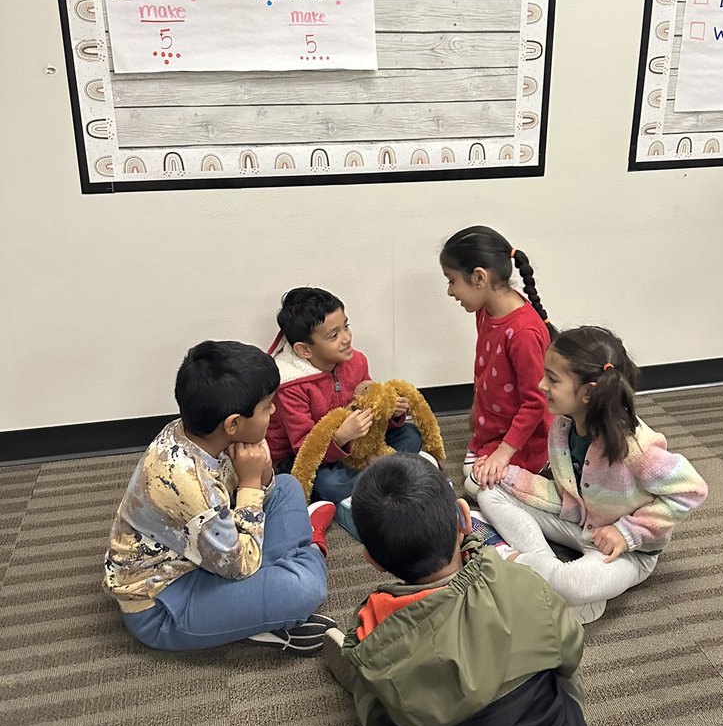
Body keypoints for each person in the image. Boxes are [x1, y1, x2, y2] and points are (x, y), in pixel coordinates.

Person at [322, 453, 595, 726]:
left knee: (372, 686)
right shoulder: (523, 582)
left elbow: (401, 714)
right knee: (555, 665)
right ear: (466, 518)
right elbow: (571, 654)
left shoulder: (375, 630)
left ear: (373, 561)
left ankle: (353, 669)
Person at [103, 340, 335, 654]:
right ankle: (309, 551)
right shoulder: (189, 486)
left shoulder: (197, 432)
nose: (274, 410)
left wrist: (262, 474)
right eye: (267, 406)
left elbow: (255, 496)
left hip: (206, 552)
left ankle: (284, 571)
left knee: (287, 487)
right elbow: (240, 565)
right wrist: (251, 482)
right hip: (163, 605)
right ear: (234, 424)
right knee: (306, 589)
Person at [476, 326, 708, 625]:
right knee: (487, 488)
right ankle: (545, 570)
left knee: (575, 584)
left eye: (552, 379)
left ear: (588, 392)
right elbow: (567, 491)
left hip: (626, 552)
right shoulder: (563, 427)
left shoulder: (636, 446)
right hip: (577, 519)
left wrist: (627, 533)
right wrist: (504, 474)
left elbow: (691, 490)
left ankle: (513, 562)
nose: (542, 385)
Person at [265, 286, 424, 536]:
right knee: (328, 484)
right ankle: (381, 478)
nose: (347, 337)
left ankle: (371, 477)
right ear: (304, 350)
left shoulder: (356, 360)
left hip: (356, 446)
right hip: (305, 457)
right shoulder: (290, 386)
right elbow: (304, 447)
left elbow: (370, 403)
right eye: (334, 335)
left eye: (346, 326)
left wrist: (391, 413)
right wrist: (340, 437)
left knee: (411, 435)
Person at [439, 225, 555, 493]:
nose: (450, 291)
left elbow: (536, 402)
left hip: (526, 439)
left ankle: (542, 473)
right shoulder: (485, 310)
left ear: (479, 277)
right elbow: (486, 368)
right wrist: (477, 407)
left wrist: (504, 452)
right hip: (492, 427)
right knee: (473, 475)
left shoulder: (523, 332)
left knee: (474, 483)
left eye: (451, 281)